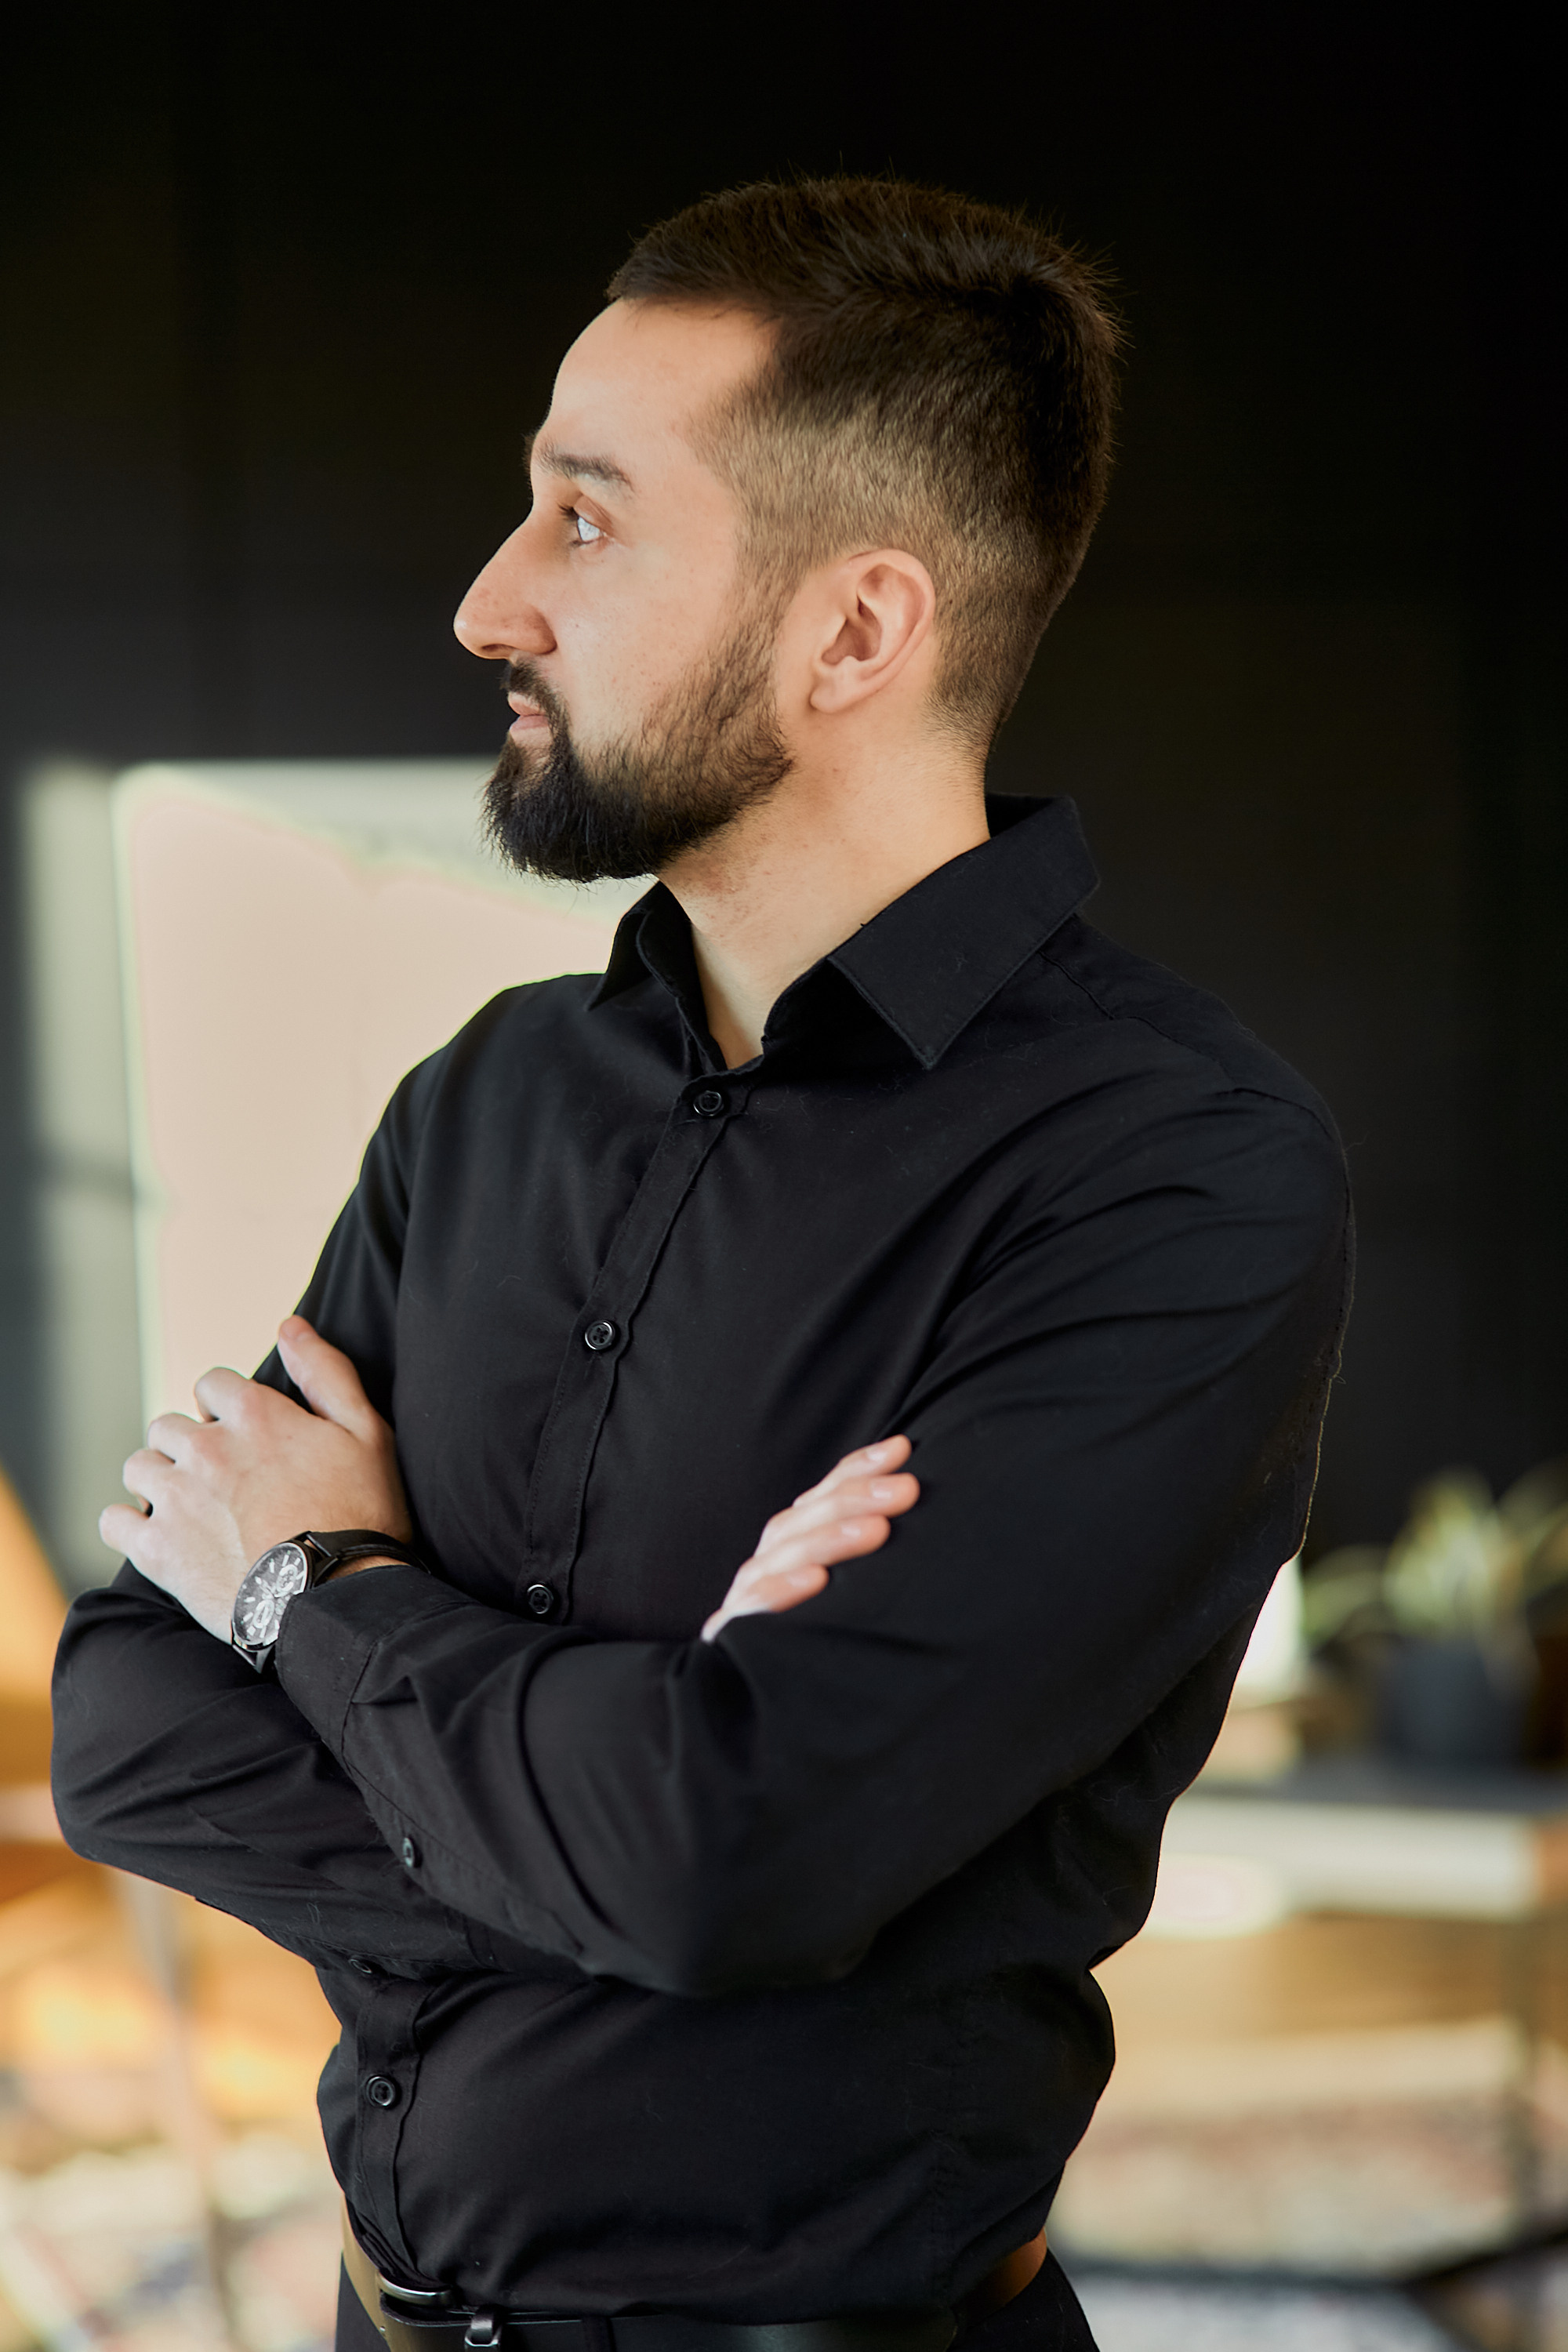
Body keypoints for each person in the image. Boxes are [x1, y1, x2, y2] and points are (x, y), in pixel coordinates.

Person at [51, 177, 1352, 2352]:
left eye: (586, 519)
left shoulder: (1171, 1174)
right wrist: (640, 1826)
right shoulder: (485, 1099)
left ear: (854, 635)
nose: (487, 602)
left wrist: (318, 1590)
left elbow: (722, 1859)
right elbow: (128, 1723)